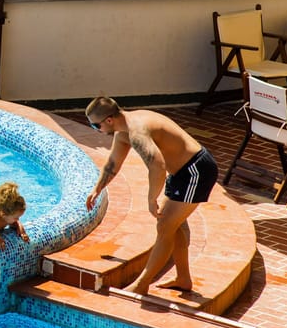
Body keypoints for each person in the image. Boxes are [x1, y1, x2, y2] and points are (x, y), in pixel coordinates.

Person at [85, 96, 219, 295]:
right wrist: (98, 188)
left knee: (165, 225)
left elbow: (157, 165)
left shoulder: (137, 131)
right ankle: (183, 279)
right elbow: (113, 163)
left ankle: (141, 285)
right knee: (173, 226)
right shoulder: (123, 131)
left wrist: (151, 198)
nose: (97, 130)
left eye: (96, 126)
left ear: (109, 120)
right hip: (182, 172)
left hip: (196, 170)